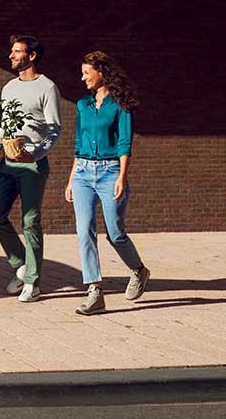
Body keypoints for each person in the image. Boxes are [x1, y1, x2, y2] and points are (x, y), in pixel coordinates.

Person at [64, 51, 150, 315]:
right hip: (83, 174)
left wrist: (122, 176)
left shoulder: (120, 105)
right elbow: (79, 145)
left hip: (111, 171)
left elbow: (125, 142)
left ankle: (138, 270)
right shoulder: (83, 105)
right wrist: (70, 180)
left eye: (86, 73)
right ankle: (94, 291)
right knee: (84, 231)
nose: (83, 78)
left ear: (101, 72)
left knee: (115, 233)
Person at [0, 35, 62, 303]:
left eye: (17, 52)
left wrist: (36, 152)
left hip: (34, 165)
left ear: (32, 56)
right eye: (12, 51)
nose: (11, 56)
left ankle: (33, 282)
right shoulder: (8, 88)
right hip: (8, 162)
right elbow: (5, 126)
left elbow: (54, 129)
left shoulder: (47, 87)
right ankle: (21, 263)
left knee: (30, 222)